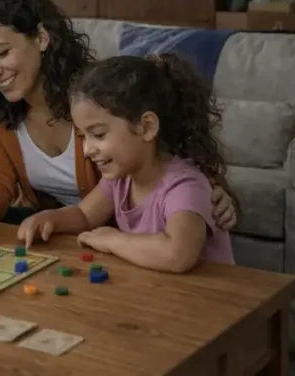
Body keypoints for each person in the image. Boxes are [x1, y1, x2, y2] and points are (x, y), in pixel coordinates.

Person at [0, 0, 237, 241]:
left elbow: (168, 145)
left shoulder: (96, 96)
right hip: (63, 235)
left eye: (1, 53)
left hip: (124, 239)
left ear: (42, 38)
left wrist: (212, 187)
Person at [17, 54, 235, 272]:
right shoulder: (121, 179)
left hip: (209, 299)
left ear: (147, 127)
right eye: (83, 136)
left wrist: (112, 239)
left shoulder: (184, 186)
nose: (87, 150)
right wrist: (49, 219)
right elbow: (84, 215)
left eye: (99, 134)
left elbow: (177, 255)